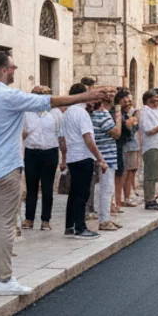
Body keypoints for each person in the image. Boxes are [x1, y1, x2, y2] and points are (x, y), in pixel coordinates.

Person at [0, 52, 109, 296]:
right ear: (4, 70)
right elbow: (47, 102)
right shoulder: (10, 96)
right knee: (4, 223)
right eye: (12, 66)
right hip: (6, 168)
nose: (15, 69)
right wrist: (86, 95)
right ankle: (4, 280)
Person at [59, 83, 105, 239]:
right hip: (83, 156)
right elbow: (88, 138)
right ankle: (80, 226)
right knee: (82, 193)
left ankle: (69, 225)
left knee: (74, 192)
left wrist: (65, 157)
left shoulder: (66, 113)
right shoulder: (82, 113)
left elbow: (62, 139)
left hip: (73, 156)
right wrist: (100, 158)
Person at [21, 86, 63, 231]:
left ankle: (46, 220)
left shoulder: (55, 112)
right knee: (31, 187)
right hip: (31, 152)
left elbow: (60, 133)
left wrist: (64, 156)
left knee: (47, 187)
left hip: (50, 151)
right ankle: (29, 219)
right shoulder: (26, 112)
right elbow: (22, 132)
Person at [90, 97, 121, 230]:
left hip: (98, 155)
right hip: (106, 156)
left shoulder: (91, 115)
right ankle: (104, 220)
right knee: (107, 189)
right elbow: (116, 133)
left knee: (102, 189)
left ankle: (105, 217)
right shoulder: (102, 115)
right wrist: (118, 117)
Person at [116, 89, 140, 208]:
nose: (129, 103)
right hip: (124, 145)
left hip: (132, 144)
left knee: (131, 171)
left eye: (130, 100)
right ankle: (119, 198)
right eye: (126, 100)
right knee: (123, 172)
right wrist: (131, 122)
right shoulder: (119, 113)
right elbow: (128, 130)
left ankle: (126, 196)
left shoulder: (130, 113)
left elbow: (135, 129)